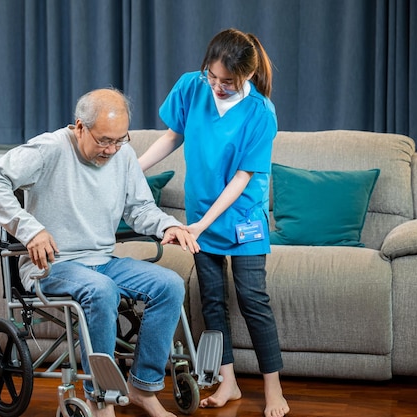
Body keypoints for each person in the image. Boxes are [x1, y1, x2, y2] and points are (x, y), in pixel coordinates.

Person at [0, 88, 200, 417]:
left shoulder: (121, 155)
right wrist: (30, 229)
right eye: (104, 141)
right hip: (53, 265)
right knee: (101, 289)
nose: (112, 150)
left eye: (119, 140)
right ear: (80, 127)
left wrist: (168, 227)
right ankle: (101, 398)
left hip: (102, 262)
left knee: (169, 285)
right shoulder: (49, 149)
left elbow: (140, 208)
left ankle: (142, 387)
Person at [138, 29, 290, 417]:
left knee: (254, 301)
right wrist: (133, 170)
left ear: (247, 77)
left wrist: (200, 226)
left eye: (228, 82)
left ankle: (274, 391)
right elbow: (172, 136)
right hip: (198, 217)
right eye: (213, 77)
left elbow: (242, 179)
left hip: (240, 218)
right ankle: (229, 383)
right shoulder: (192, 86)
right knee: (211, 302)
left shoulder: (260, 112)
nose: (218, 87)